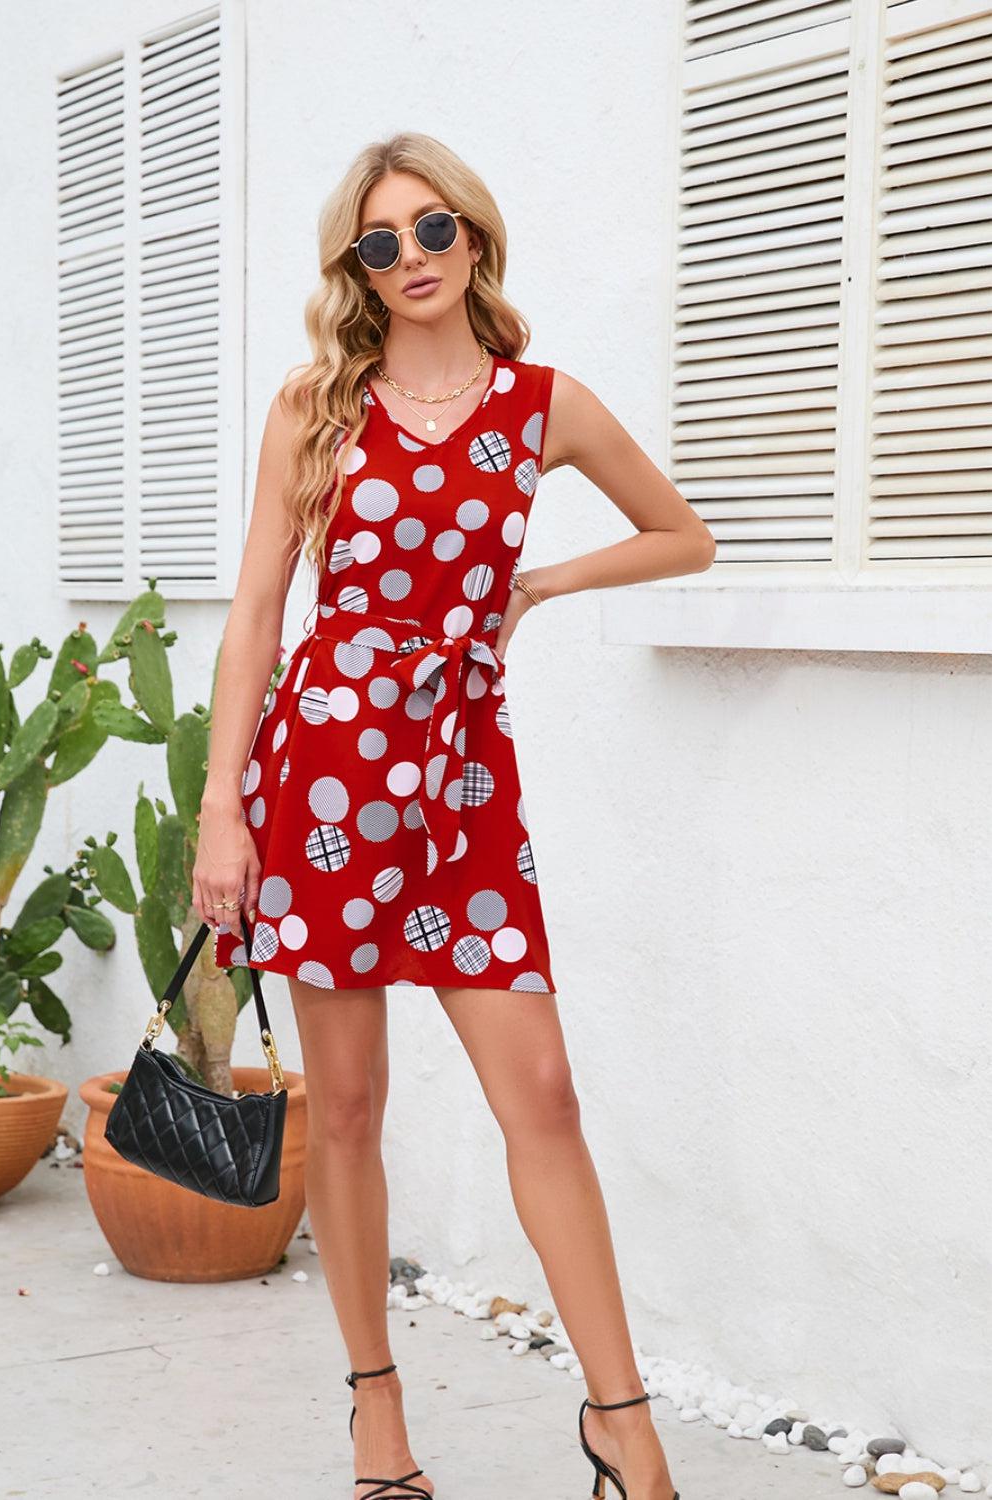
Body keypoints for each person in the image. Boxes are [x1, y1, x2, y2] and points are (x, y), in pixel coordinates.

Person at [194, 130, 712, 1500]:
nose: (411, 258)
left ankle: (623, 1425)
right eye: (380, 242)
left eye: (433, 231)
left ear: (474, 239)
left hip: (465, 780)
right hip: (321, 780)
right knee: (350, 1110)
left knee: (540, 1094)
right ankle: (376, 1418)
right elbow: (256, 614)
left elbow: (681, 533)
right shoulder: (317, 404)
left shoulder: (543, 404)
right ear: (352, 269)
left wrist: (538, 588)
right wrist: (217, 818)